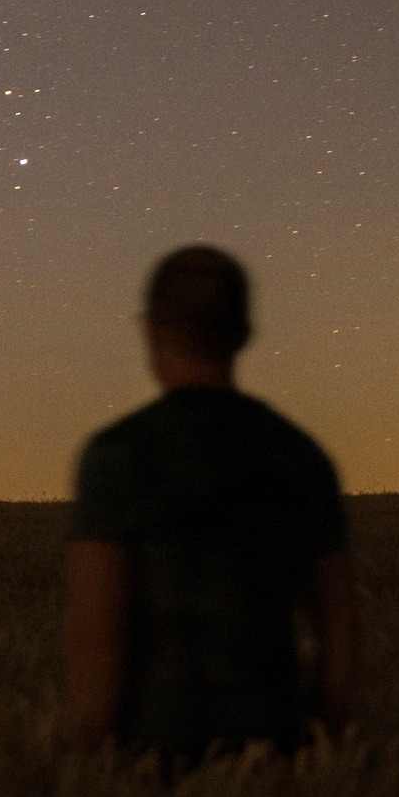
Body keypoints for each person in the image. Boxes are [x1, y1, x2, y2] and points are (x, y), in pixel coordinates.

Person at [61, 244, 358, 764]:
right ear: (243, 334)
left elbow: (97, 661)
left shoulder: (118, 458)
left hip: (153, 771)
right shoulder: (301, 457)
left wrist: (85, 789)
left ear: (151, 333)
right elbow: (341, 650)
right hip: (278, 767)